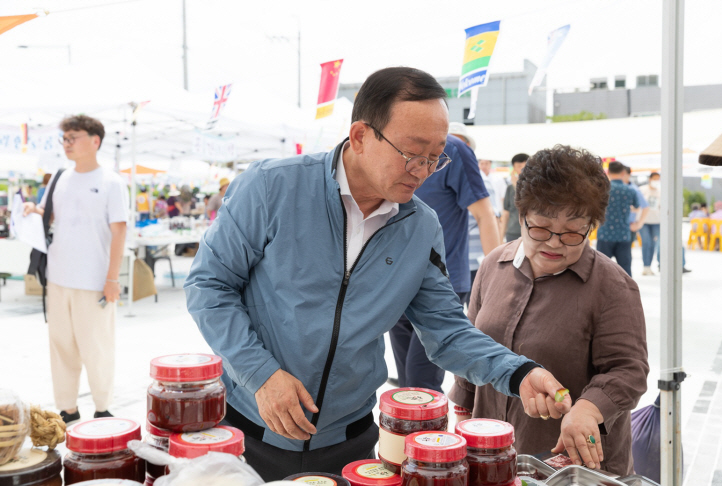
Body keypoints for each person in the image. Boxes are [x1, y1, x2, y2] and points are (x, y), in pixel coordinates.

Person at [184, 67, 571, 480]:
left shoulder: (420, 227)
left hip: (350, 442)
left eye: (435, 157)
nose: (422, 170)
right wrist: (260, 375)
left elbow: (447, 332)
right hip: (249, 430)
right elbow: (208, 286)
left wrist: (519, 372)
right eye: (411, 152)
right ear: (360, 136)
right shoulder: (270, 188)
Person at [449, 146, 649, 474]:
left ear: (592, 226)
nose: (554, 243)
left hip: (571, 468)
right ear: (521, 215)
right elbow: (469, 345)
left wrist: (588, 408)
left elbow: (629, 370)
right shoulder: (493, 266)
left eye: (573, 233)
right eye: (540, 228)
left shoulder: (612, 285)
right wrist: (461, 412)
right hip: (488, 456)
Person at [22, 115, 128, 424]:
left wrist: (112, 279)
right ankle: (67, 407)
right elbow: (50, 215)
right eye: (64, 138)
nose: (67, 143)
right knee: (61, 345)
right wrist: (34, 209)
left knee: (97, 346)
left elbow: (119, 231)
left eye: (73, 137)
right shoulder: (59, 178)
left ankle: (103, 406)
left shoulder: (111, 182)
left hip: (95, 279)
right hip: (58, 277)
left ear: (95, 141)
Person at [388, 124, 500, 393]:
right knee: (405, 385)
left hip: (441, 283)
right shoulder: (389, 145)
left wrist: (498, 276)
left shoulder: (455, 150)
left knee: (420, 383)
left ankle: (425, 435)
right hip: (395, 281)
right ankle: (411, 436)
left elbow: (485, 215)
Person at [596, 162, 647, 276]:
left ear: (608, 172)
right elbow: (638, 206)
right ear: (623, 173)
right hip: (623, 233)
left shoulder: (602, 189)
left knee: (600, 269)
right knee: (625, 269)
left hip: (605, 233)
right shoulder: (630, 190)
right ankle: (627, 293)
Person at [501, 153, 529, 243]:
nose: (523, 169)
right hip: (513, 233)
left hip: (530, 232)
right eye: (520, 166)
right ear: (514, 168)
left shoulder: (536, 187)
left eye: (526, 165)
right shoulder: (510, 188)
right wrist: (501, 236)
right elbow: (506, 213)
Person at [638, 172, 661, 274]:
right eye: (655, 179)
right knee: (646, 242)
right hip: (644, 221)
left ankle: (649, 267)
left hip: (656, 221)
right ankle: (645, 266)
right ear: (650, 179)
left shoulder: (661, 191)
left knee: (653, 244)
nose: (656, 181)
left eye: (658, 179)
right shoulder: (642, 189)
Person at [622, 166, 648, 248]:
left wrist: (639, 224)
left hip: (628, 226)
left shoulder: (634, 189)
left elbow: (645, 207)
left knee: (625, 254)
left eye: (622, 174)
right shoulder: (611, 188)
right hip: (611, 227)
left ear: (628, 175)